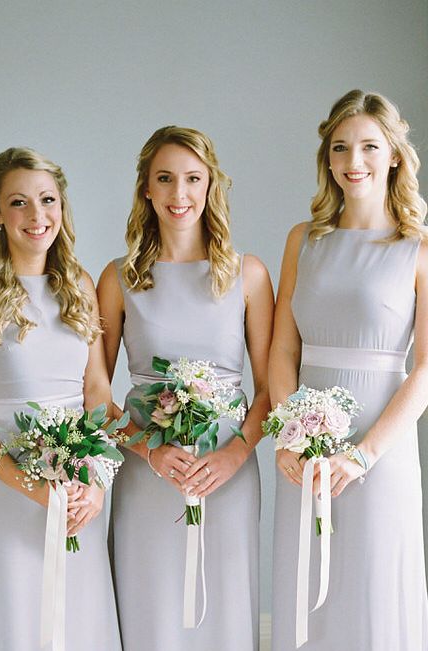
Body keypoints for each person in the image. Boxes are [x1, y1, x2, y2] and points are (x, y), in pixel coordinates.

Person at [270, 90, 428, 650]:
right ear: (327, 159)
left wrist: (362, 454)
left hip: (380, 452)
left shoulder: (426, 247)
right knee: (308, 590)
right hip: (303, 452)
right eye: (341, 147)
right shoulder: (302, 241)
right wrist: (290, 438)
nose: (355, 161)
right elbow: (283, 352)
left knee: (373, 588)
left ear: (394, 154)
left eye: (370, 146)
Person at [0, 147, 121, 650]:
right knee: (12, 617)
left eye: (48, 200)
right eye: (19, 203)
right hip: (3, 486)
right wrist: (28, 483)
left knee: (76, 619)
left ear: (62, 207)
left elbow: (97, 393)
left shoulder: (80, 285)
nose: (36, 216)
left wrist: (97, 482)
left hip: (77, 487)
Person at [97, 126, 274, 651]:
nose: (180, 194)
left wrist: (235, 456)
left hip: (228, 475)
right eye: (166, 179)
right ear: (146, 189)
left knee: (224, 609)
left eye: (193, 179)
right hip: (147, 474)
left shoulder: (250, 275)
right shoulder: (118, 278)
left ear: (211, 185)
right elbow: (94, 395)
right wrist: (149, 451)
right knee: (149, 607)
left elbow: (270, 389)